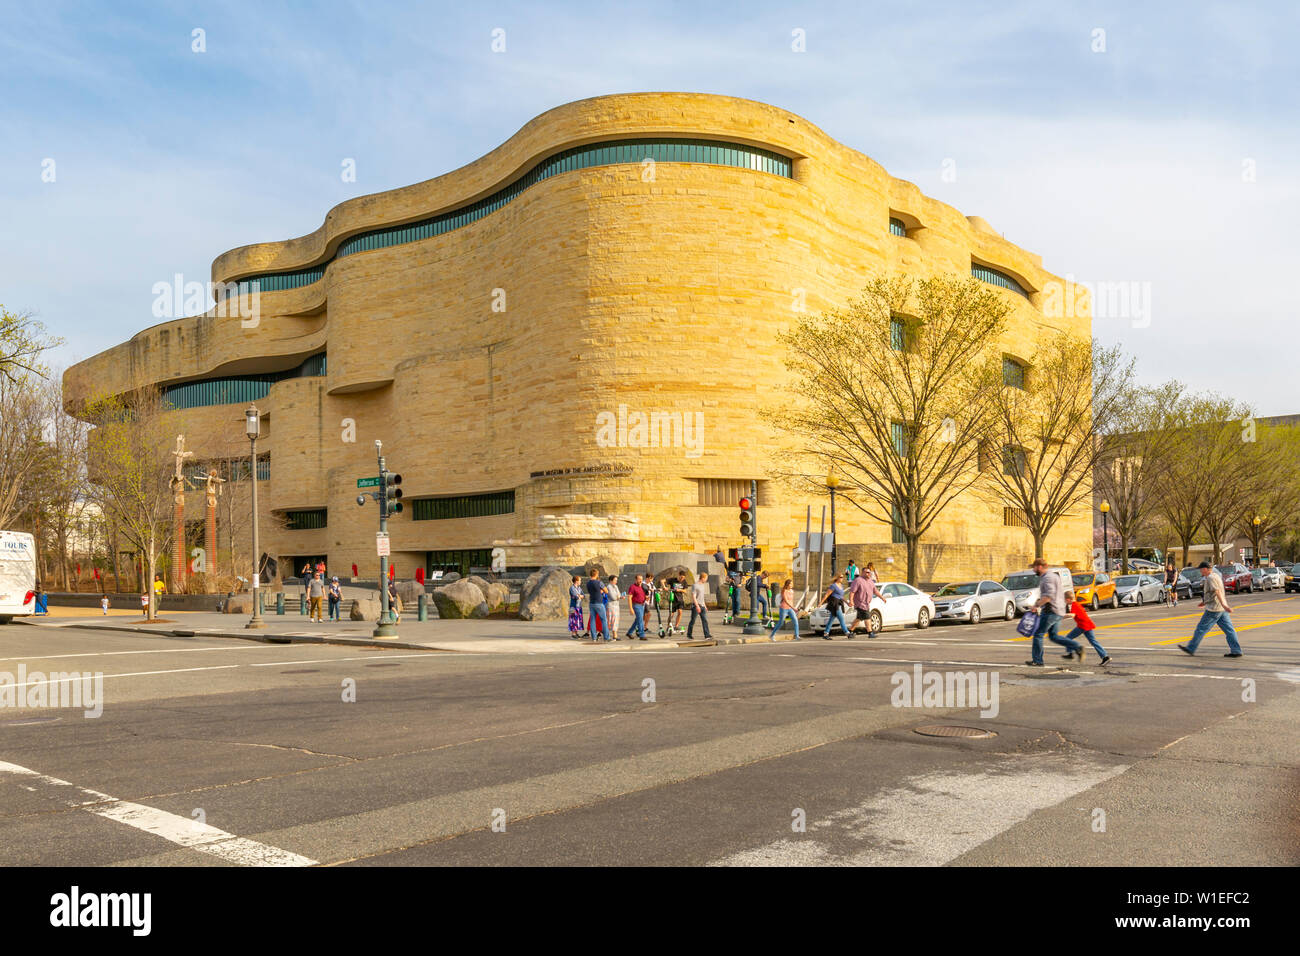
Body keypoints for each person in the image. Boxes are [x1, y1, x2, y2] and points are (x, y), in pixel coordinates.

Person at [1178, 562, 1243, 658]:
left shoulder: (1210, 578)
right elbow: (1212, 593)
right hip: (1220, 608)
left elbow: (1217, 591)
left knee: (1201, 629)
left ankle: (1191, 648)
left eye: (1201, 569)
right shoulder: (1216, 576)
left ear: (1205, 569)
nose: (1200, 571)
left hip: (1214, 609)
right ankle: (1236, 650)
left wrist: (1225, 605)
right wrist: (1205, 602)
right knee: (1229, 630)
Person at [1026, 558, 1081, 666]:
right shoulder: (1053, 576)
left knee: (1038, 634)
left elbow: (1048, 596)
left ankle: (1037, 661)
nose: (1033, 570)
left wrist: (1036, 606)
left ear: (1040, 567)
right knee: (1053, 636)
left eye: (1034, 567)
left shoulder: (1047, 578)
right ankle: (1077, 647)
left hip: (1051, 611)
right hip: (1058, 610)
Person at [1064, 590, 1110, 666]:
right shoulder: (1076, 604)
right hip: (1086, 625)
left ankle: (1070, 654)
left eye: (1065, 600)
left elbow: (1072, 615)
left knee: (1068, 638)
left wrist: (1061, 616)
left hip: (1083, 626)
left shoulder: (1074, 605)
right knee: (1093, 641)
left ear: (1068, 599)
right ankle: (1105, 657)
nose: (1065, 602)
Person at [848, 570, 885, 636]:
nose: (868, 574)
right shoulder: (858, 580)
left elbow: (875, 591)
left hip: (867, 603)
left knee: (859, 618)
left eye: (869, 572)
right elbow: (852, 592)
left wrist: (882, 598)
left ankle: (850, 631)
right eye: (867, 572)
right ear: (862, 573)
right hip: (860, 603)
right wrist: (851, 600)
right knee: (867, 617)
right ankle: (870, 633)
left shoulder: (870, 581)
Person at [821, 574, 851, 639]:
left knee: (831, 619)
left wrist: (847, 603)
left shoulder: (841, 586)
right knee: (841, 619)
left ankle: (826, 634)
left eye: (843, 577)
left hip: (839, 603)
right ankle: (847, 633)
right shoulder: (833, 586)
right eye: (840, 577)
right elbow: (827, 595)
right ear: (837, 578)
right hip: (834, 604)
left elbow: (841, 597)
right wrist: (820, 603)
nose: (842, 578)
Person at [585, 569, 611, 642]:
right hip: (599, 603)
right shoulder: (599, 582)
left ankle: (594, 637)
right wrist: (601, 591)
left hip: (591, 603)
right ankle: (606, 637)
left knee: (592, 620)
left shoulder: (588, 583)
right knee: (604, 620)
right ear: (596, 574)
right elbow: (606, 591)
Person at [687, 571, 714, 640]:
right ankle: (689, 634)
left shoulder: (702, 585)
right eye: (706, 578)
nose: (706, 580)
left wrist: (705, 605)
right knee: (693, 620)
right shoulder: (695, 585)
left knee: (705, 620)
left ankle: (707, 635)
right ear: (702, 578)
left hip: (702, 606)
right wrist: (697, 606)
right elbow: (694, 596)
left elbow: (701, 597)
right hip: (696, 606)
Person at [625, 574, 648, 641]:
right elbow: (629, 598)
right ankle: (642, 635)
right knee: (640, 620)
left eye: (641, 579)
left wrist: (646, 598)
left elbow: (642, 595)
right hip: (636, 605)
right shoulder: (632, 587)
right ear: (636, 579)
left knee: (637, 620)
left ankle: (629, 632)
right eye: (639, 579)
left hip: (642, 605)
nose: (640, 580)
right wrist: (631, 608)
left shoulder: (642, 587)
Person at [606, 574, 622, 639]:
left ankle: (615, 635)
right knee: (610, 620)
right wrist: (618, 597)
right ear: (611, 580)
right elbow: (613, 597)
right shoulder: (609, 587)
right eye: (615, 580)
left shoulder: (616, 586)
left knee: (615, 620)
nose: (616, 581)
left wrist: (619, 597)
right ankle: (608, 634)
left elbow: (619, 594)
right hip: (611, 606)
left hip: (616, 605)